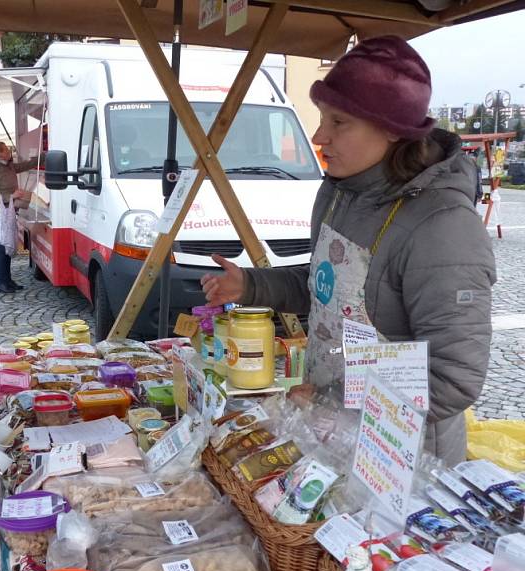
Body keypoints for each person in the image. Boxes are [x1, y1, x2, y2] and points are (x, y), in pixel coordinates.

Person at [201, 36, 496, 467]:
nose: (319, 136)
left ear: (394, 130)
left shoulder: (444, 227)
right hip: (331, 433)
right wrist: (250, 284)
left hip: (404, 458)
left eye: (339, 122)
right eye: (322, 118)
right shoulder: (339, 192)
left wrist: (332, 397)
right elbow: (327, 286)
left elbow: (452, 376)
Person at [0, 141, 37, 293]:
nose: (9, 151)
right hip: (0, 212)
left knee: (8, 246)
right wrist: (11, 196)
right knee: (3, 246)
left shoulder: (9, 165)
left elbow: (25, 166)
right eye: (6, 150)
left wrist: (42, 157)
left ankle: (6, 280)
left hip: (10, 210)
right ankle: (0, 282)